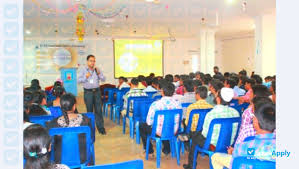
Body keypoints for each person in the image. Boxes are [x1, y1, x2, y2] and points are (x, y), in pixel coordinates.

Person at [183, 87, 240, 169]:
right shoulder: (236, 113)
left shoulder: (212, 114)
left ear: (218, 99)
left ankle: (191, 165)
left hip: (213, 145)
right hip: (228, 144)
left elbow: (205, 134)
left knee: (195, 138)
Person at [211, 103, 276, 169]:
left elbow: (235, 161)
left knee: (215, 157)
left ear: (255, 122)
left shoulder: (242, 146)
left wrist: (232, 152)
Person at [46, 93, 93, 164]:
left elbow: (48, 143)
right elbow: (92, 139)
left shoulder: (52, 123)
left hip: (58, 159)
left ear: (60, 107)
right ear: (74, 106)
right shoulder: (86, 120)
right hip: (82, 158)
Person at [139, 82, 182, 156]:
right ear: (173, 92)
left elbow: (149, 122)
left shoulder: (156, 104)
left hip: (159, 133)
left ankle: (149, 151)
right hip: (174, 131)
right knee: (166, 126)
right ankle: (167, 149)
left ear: (162, 92)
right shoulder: (178, 104)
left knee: (142, 126)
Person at [78, 54, 106, 135]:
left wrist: (99, 73)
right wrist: (85, 77)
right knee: (89, 111)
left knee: (98, 110)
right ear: (87, 62)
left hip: (97, 92)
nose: (92, 63)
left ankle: (101, 128)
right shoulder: (83, 70)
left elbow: (103, 79)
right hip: (88, 92)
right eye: (91, 61)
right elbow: (79, 81)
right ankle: (90, 128)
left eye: (94, 61)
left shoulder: (97, 69)